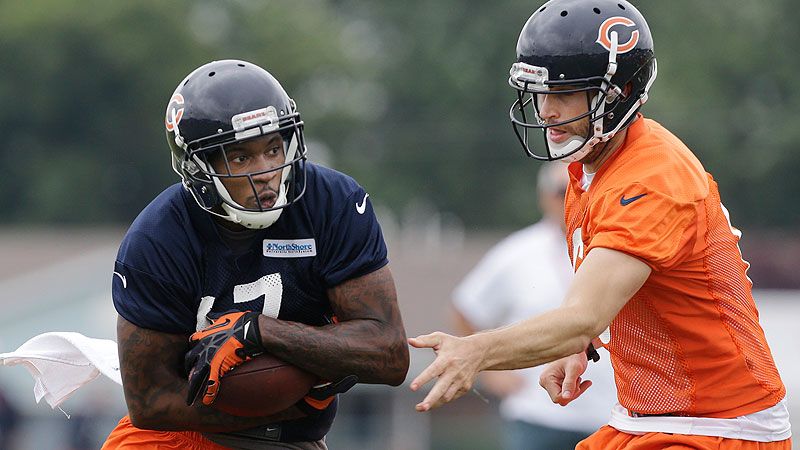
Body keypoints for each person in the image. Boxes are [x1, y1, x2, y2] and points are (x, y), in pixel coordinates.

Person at [409, 1, 792, 449]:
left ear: (620, 92)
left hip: (716, 427)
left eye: (565, 92)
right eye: (541, 92)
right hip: (652, 416)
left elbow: (581, 316)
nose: (547, 110)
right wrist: (579, 343)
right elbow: (611, 299)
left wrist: (477, 351)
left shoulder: (650, 178)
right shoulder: (593, 168)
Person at [101, 59, 409, 450]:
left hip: (290, 442)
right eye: (241, 157)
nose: (265, 171)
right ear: (199, 166)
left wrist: (260, 331)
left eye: (274, 148)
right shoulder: (159, 237)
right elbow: (150, 402)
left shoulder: (331, 203)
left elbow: (391, 354)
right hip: (177, 435)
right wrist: (290, 402)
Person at [451, 162, 616, 450]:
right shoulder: (517, 252)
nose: (571, 197)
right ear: (543, 197)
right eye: (561, 191)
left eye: (580, 188)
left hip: (608, 412)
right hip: (537, 413)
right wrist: (492, 374)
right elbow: (465, 308)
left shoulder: (615, 245)